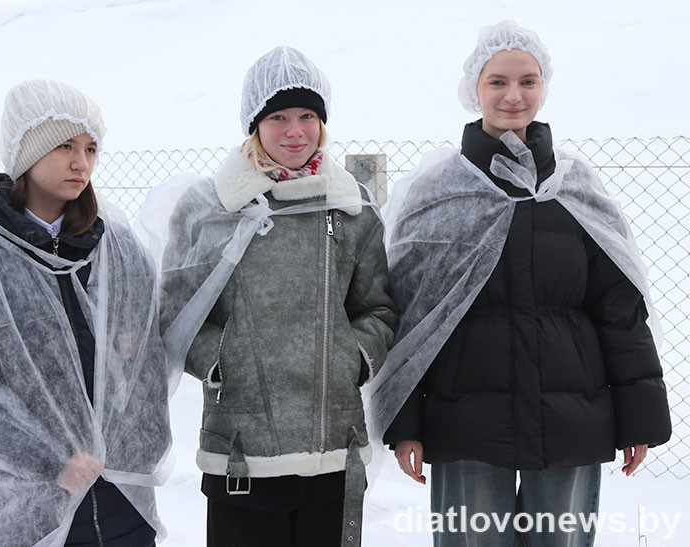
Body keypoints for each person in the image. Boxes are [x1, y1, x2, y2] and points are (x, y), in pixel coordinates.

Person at [374, 20, 672, 547]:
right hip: (466, 426)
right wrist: (405, 421)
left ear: (543, 87)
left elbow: (619, 310)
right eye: (498, 81)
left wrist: (638, 417)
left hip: (569, 422)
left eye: (527, 81)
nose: (513, 95)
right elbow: (410, 319)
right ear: (474, 89)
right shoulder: (437, 192)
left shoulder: (575, 188)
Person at [146, 46, 396, 547]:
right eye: (278, 117)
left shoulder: (351, 206)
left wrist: (351, 357)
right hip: (241, 452)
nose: (294, 131)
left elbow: (378, 308)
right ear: (254, 124)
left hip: (334, 449)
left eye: (307, 116)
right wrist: (225, 359)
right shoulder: (210, 206)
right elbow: (175, 312)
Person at [0, 79, 171, 547]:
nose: (81, 162)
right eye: (65, 146)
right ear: (25, 152)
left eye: (90, 148)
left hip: (122, 504)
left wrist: (140, 452)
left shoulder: (118, 247)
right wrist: (52, 462)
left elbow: (147, 362)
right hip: (27, 511)